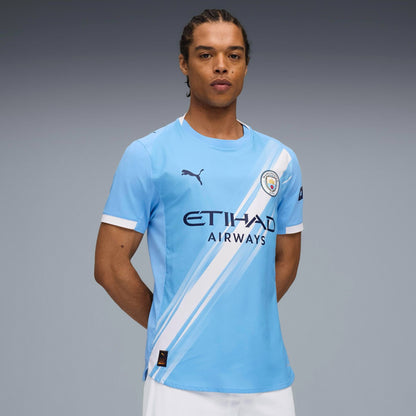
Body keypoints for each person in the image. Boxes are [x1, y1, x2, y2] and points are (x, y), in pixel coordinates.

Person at [94, 8, 303, 416]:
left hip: (268, 381)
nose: (221, 66)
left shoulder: (280, 161)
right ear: (184, 64)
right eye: (206, 55)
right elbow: (109, 266)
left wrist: (235, 319)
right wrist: (177, 324)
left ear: (245, 65)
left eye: (234, 55)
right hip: (180, 380)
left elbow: (286, 260)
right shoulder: (149, 155)